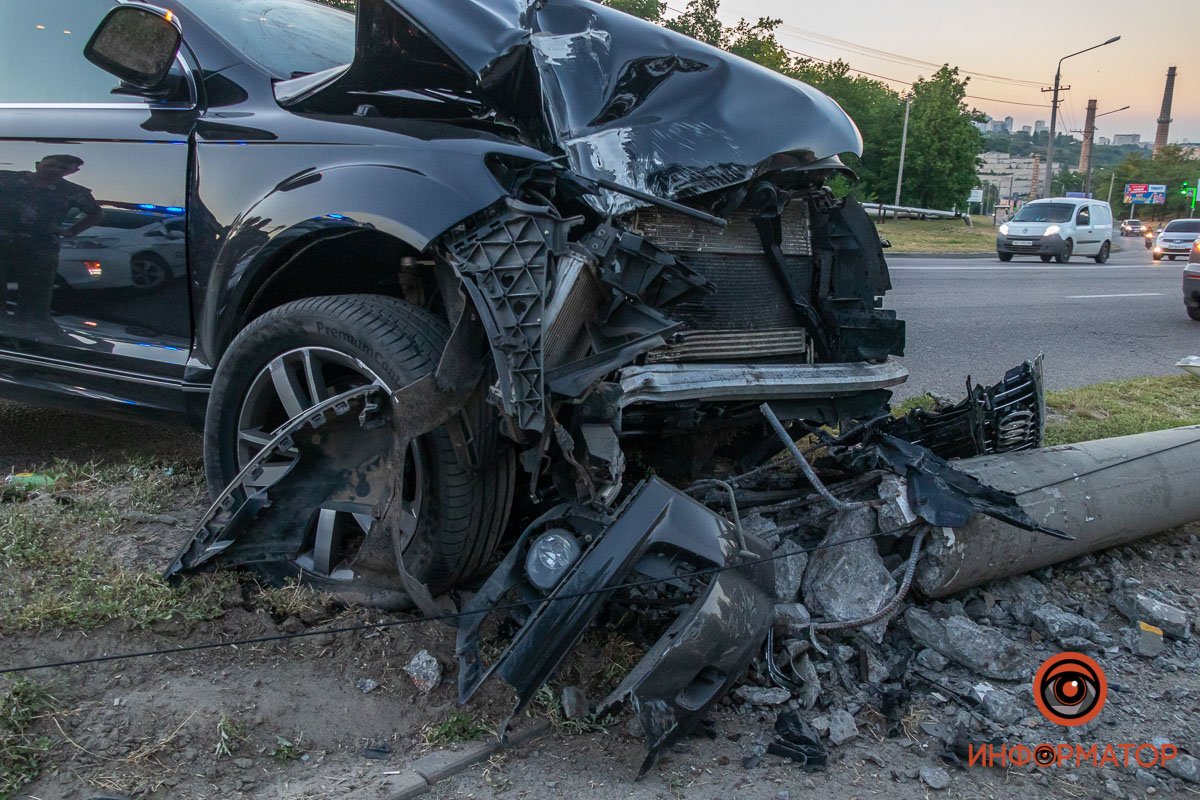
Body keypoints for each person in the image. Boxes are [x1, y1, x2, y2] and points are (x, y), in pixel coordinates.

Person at [0, 154, 103, 333]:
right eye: (51, 165)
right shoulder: (6, 178)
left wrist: (71, 231)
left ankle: (30, 336)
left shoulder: (74, 191)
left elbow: (96, 214)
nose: (55, 170)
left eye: (63, 168)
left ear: (73, 172)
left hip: (41, 247)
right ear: (38, 164)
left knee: (36, 295)